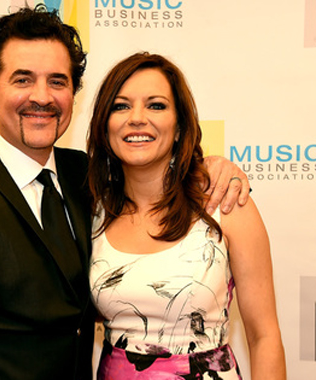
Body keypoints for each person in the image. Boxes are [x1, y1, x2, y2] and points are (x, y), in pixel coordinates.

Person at [0, 6, 250, 380]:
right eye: (23, 80)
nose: (42, 97)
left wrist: (211, 168)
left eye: (58, 81)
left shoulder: (89, 178)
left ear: (73, 95)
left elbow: (157, 179)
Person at [87, 53, 286, 380]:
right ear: (104, 126)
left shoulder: (225, 204)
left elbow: (264, 337)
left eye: (156, 105)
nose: (137, 118)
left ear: (179, 126)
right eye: (121, 106)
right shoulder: (92, 211)